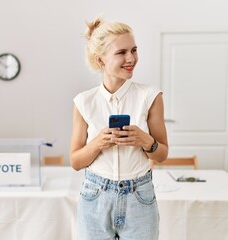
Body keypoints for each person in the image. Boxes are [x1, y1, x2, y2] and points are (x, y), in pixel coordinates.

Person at [69, 17, 168, 240]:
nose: (131, 58)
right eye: (121, 52)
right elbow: (75, 161)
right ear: (101, 59)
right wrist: (98, 143)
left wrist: (145, 140)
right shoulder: (84, 102)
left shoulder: (150, 96)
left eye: (134, 50)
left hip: (140, 198)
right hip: (95, 198)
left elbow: (162, 154)